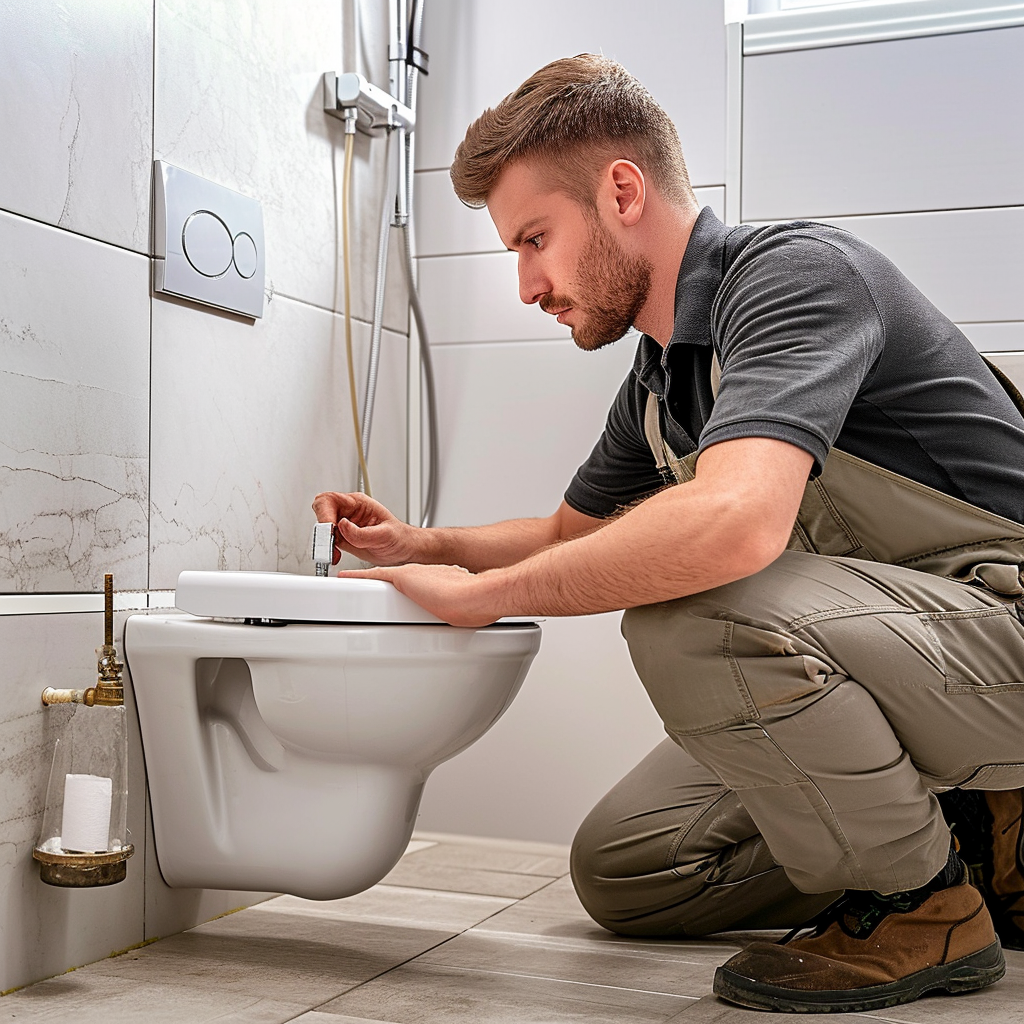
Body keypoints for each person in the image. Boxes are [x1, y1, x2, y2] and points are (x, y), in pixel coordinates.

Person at [313, 55, 1024, 1013]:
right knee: (629, 867)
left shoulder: (792, 278)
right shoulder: (661, 378)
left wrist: (482, 602)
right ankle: (972, 834)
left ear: (620, 190)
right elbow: (564, 533)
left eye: (535, 239)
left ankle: (922, 909)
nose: (528, 284)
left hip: (1000, 626)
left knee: (694, 615)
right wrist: (421, 548)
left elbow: (735, 525)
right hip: (910, 660)